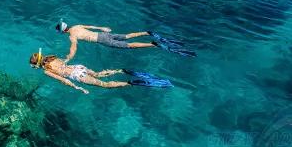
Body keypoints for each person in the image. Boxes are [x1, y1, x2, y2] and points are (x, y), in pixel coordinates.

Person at [29, 49, 172, 94]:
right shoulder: (52, 58)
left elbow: (64, 80)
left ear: (37, 64)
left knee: (105, 85)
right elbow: (65, 62)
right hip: (79, 67)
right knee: (98, 74)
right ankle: (120, 70)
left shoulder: (46, 71)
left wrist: (78, 87)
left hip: (76, 75)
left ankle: (132, 82)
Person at [56, 19, 196, 62]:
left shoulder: (72, 36)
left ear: (63, 32)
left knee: (129, 46)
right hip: (103, 34)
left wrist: (68, 58)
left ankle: (153, 44)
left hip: (102, 41)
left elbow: (73, 47)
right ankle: (147, 32)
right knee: (128, 36)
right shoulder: (77, 26)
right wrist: (103, 28)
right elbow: (91, 26)